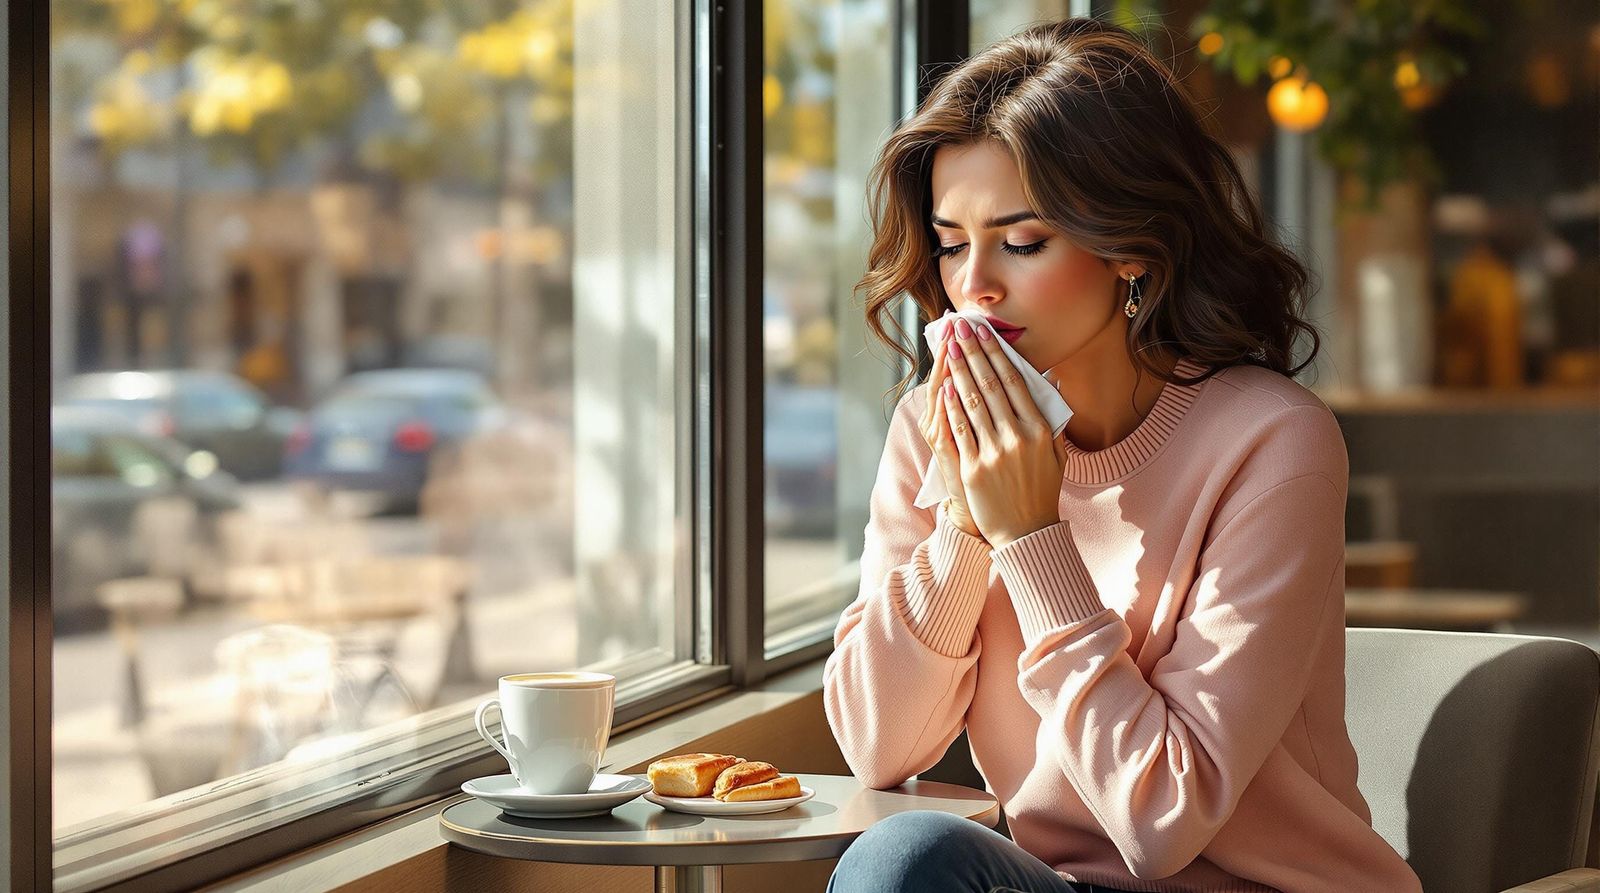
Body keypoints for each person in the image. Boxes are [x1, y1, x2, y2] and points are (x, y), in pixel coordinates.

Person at [824, 18, 1422, 893]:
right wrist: (963, 524)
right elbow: (876, 746)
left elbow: (1161, 821)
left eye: (1022, 242)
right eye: (953, 242)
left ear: (1133, 249)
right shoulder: (935, 429)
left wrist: (1031, 535)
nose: (973, 283)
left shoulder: (1271, 442)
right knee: (900, 852)